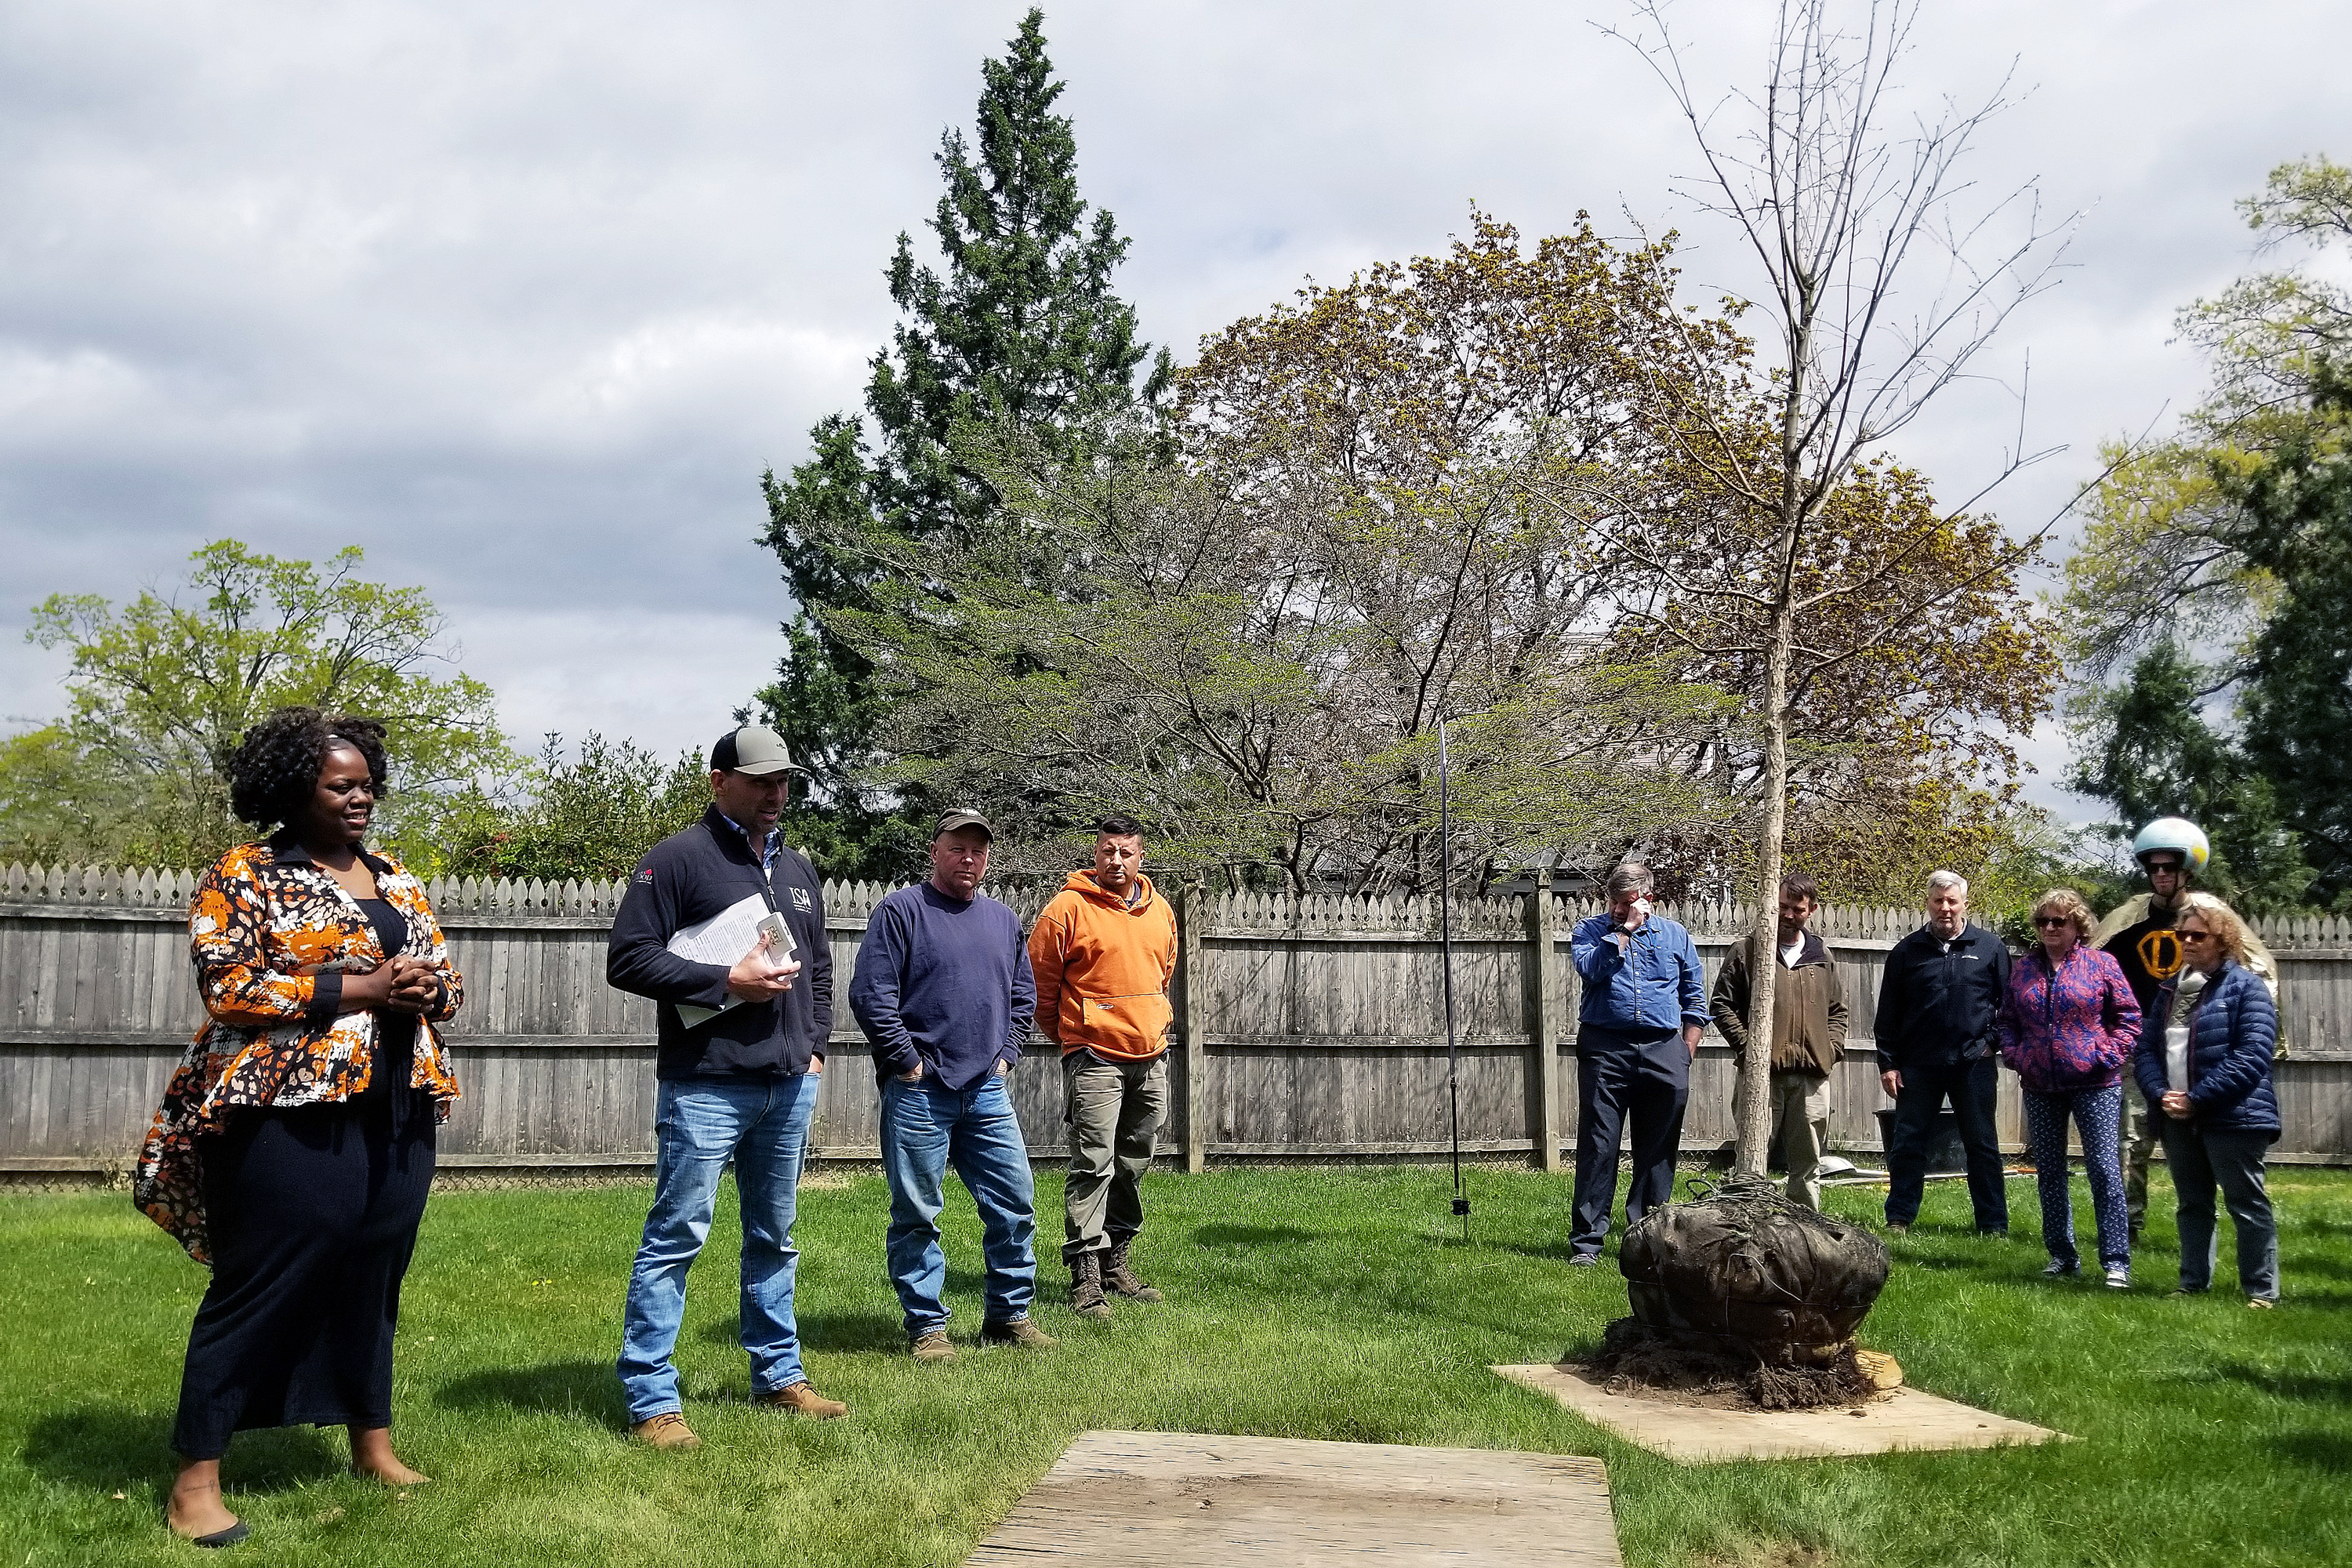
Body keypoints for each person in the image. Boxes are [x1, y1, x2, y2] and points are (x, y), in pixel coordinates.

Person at [134, 709, 463, 1548]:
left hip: (397, 1102)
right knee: (263, 1277)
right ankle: (195, 1482)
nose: (361, 798)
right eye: (340, 784)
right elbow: (230, 986)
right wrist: (362, 990)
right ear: (292, 789)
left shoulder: (395, 876)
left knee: (373, 1271)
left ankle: (372, 1442)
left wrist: (428, 990)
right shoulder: (244, 874)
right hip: (284, 1108)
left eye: (366, 783)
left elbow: (444, 982)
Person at [605, 724, 845, 1450]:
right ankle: (653, 1401)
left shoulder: (798, 870)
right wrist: (723, 982)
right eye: (761, 782)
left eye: (783, 782)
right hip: (705, 1085)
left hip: (787, 1084)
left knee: (775, 1236)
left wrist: (814, 1048)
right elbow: (627, 960)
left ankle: (778, 1376)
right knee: (677, 1237)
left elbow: (822, 969)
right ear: (719, 782)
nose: (776, 794)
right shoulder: (676, 862)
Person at [851, 809, 1054, 1358]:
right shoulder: (901, 912)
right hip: (920, 1091)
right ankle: (927, 1328)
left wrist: (1007, 1056)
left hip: (986, 1090)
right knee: (918, 1212)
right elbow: (871, 995)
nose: (969, 858)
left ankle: (1008, 1317)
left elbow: (1022, 997)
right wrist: (907, 1062)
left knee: (1015, 1202)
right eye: (958, 847)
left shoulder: (1003, 920)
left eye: (979, 850)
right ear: (934, 851)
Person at [2092, 817, 2280, 1242]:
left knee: (2206, 1146)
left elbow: (2260, 971)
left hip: (2201, 1050)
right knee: (2131, 1142)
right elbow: (2090, 969)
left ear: (2187, 870)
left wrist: (2256, 1038)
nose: (2160, 875)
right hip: (2143, 1047)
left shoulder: (2211, 917)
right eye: (2152, 867)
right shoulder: (2126, 917)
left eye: (2168, 867)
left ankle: (2217, 1233)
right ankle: (2127, 1229)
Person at [1028, 813, 1179, 1320]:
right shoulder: (1066, 909)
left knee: (1134, 1163)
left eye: (1126, 852)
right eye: (1107, 851)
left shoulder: (1161, 911)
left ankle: (1118, 1263)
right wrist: (1073, 1035)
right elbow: (1038, 986)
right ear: (1095, 854)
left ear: (1141, 857)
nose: (1116, 860)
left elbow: (1165, 973)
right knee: (1093, 1164)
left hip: (1150, 1056)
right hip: (1093, 1058)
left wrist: (1151, 1024)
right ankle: (1085, 1278)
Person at [2133, 892, 2283, 1306]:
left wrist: (2197, 1098)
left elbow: (2252, 1057)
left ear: (2223, 940)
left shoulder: (2247, 989)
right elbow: (2146, 1050)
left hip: (2235, 1117)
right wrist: (2161, 1094)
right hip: (2177, 1115)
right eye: (2182, 934)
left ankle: (2261, 1291)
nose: (2187, 941)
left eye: (2198, 935)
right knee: (2192, 1204)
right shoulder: (2169, 991)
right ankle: (2192, 1284)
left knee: (2246, 1204)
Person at [1997, 889, 2142, 1287]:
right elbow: (2006, 1020)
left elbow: (2129, 1016)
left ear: (2078, 925)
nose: (2049, 928)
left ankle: (2116, 1260)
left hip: (2096, 1084)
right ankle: (2062, 1254)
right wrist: (2017, 1056)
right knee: (2049, 1171)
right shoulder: (2024, 969)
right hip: (2041, 1084)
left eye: (2058, 921)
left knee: (2104, 1169)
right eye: (2043, 921)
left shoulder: (2101, 965)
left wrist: (2107, 1056)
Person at [1566, 862, 1706, 1263]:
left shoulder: (1676, 936)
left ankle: (1648, 1237)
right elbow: (1591, 970)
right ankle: (1588, 1242)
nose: (1617, 909)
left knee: (1658, 1147)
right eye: (1613, 901)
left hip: (1665, 1049)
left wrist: (1685, 1051)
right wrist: (1624, 932)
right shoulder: (1591, 932)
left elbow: (1695, 997)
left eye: (1627, 903)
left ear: (1648, 899)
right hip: (1605, 1047)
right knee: (1599, 1143)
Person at [1875, 870, 2011, 1236]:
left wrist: (1990, 1043)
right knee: (1908, 1143)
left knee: (1981, 1145)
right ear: (1928, 904)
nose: (1945, 908)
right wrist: (1888, 1063)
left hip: (1973, 1064)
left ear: (1965, 903)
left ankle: (1993, 1224)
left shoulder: (1989, 947)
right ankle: (1899, 1218)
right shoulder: (1907, 951)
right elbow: (1888, 1013)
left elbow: (2008, 1005)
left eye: (1952, 901)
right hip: (1919, 1065)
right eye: (1938, 901)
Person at [1708, 873, 1849, 1210]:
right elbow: (1722, 1005)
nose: (1788, 915)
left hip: (1811, 1076)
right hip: (1761, 1076)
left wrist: (1831, 1050)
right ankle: (1746, 1221)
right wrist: (1749, 1048)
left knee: (1808, 1161)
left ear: (1811, 910)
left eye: (1797, 909)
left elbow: (1837, 1010)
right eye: (1781, 906)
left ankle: (1805, 1226)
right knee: (1753, 1156)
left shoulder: (1820, 954)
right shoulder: (1748, 950)